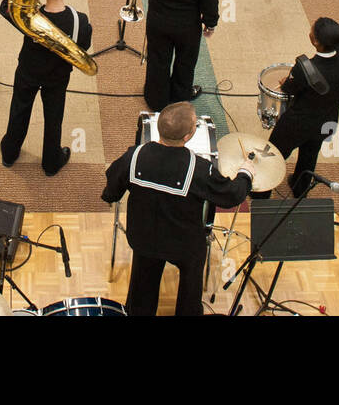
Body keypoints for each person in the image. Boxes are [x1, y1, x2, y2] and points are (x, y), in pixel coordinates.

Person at [103, 100, 252, 316]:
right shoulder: (200, 169)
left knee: (141, 291)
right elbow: (231, 196)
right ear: (187, 136)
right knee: (191, 285)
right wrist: (245, 174)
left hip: (144, 238)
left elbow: (111, 190)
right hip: (184, 245)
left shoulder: (134, 156)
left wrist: (111, 195)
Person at [0, 0, 92, 175]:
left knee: (19, 110)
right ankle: (51, 162)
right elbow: (82, 49)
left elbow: (5, 7)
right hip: (57, 77)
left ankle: (9, 153)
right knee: (54, 118)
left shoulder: (29, 16)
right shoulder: (80, 21)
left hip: (28, 72)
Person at [269, 18, 339, 197]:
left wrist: (286, 83)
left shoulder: (304, 68)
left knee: (274, 153)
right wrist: (333, 100)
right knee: (309, 155)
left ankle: (262, 192)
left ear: (315, 41)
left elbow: (290, 89)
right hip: (326, 121)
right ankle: (300, 188)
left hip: (296, 123)